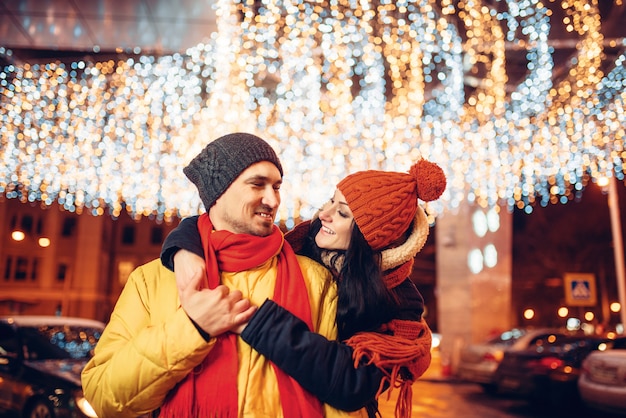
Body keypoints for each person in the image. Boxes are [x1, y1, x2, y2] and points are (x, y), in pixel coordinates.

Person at [81, 132, 353, 417]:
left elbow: (334, 398)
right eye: (257, 185)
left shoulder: (315, 279)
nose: (272, 200)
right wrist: (191, 328)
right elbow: (103, 396)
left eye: (277, 186)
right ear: (218, 192)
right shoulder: (152, 280)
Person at [162, 158, 447, 418]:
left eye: (343, 213)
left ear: (369, 238)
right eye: (330, 202)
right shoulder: (302, 244)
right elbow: (226, 228)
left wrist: (255, 322)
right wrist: (184, 248)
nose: (324, 214)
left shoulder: (398, 301)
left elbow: (352, 384)